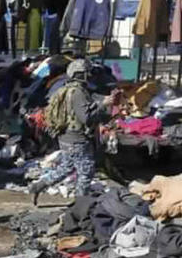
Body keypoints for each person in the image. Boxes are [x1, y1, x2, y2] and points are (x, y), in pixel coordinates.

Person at [28, 59, 116, 203]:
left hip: (67, 137)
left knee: (66, 168)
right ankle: (80, 206)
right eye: (87, 73)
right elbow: (86, 118)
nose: (89, 76)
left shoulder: (69, 89)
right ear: (80, 74)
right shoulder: (77, 92)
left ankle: (38, 186)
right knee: (86, 171)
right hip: (76, 138)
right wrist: (104, 104)